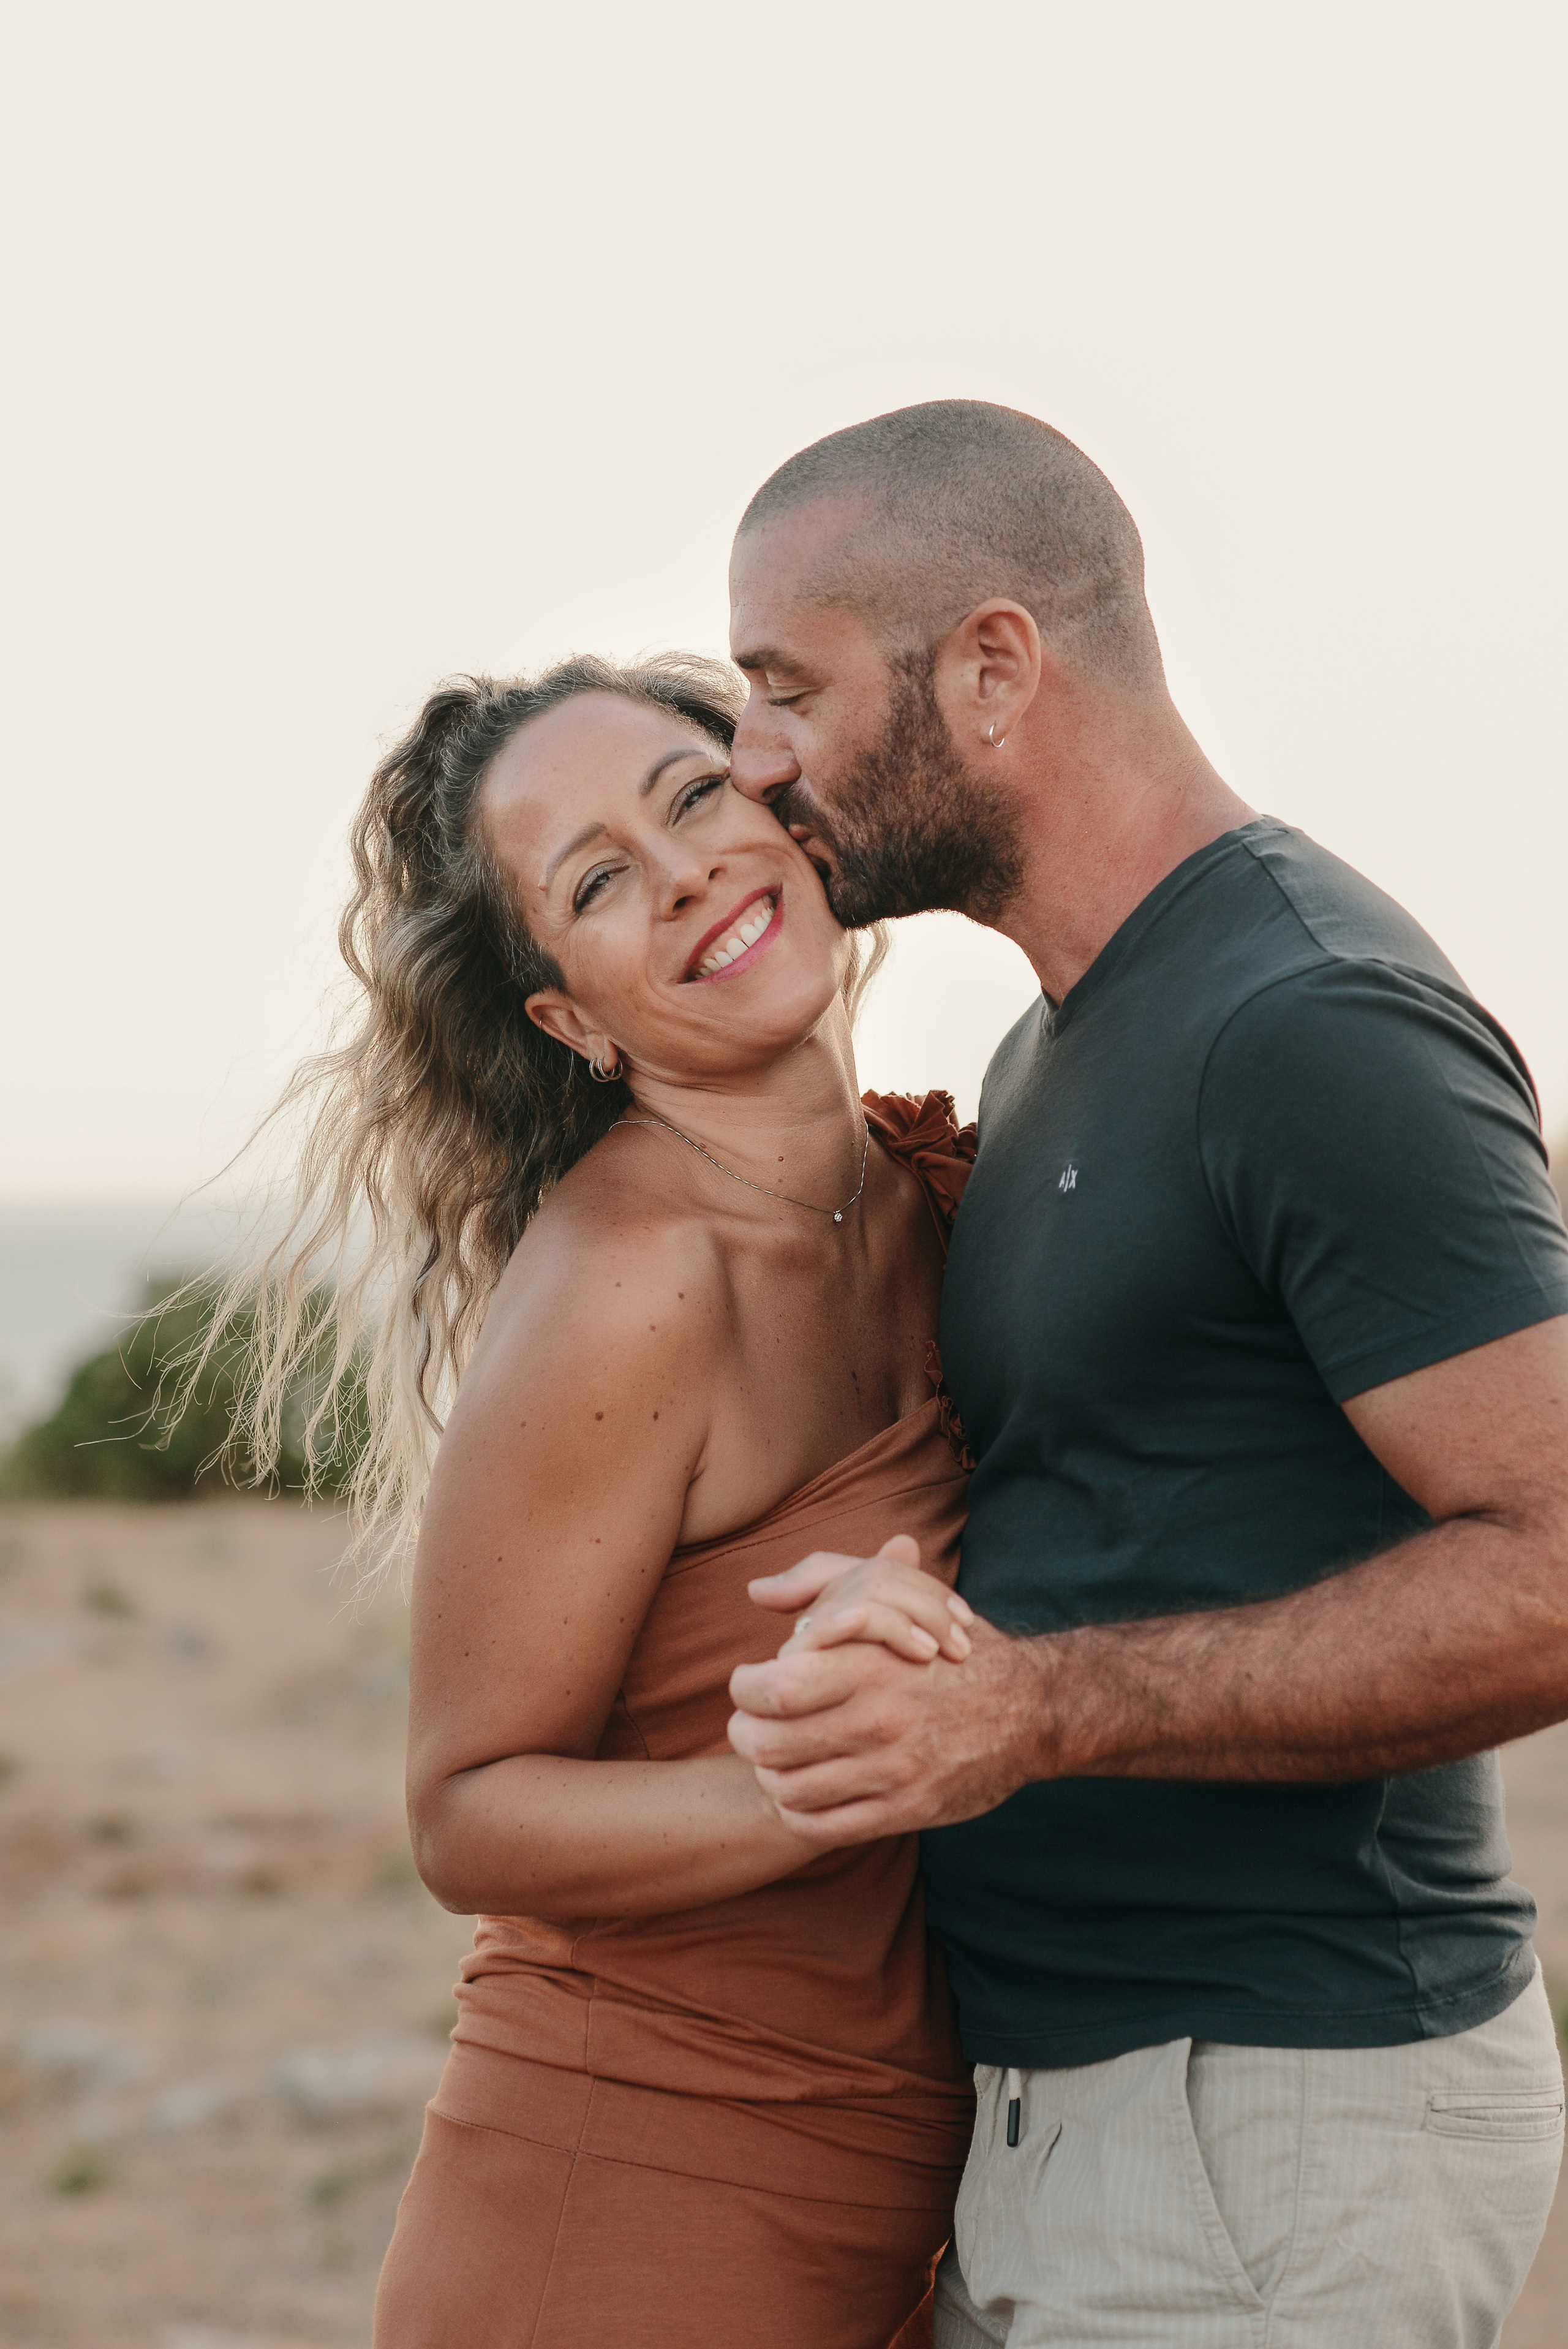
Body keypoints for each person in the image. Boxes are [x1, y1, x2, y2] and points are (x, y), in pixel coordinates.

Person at [723, 400, 1568, 2348]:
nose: (752, 762)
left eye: (787, 688)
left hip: (1274, 2114)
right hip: (1094, 2112)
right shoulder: (1063, 1040)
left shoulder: (1309, 1017)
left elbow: (1548, 1559)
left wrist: (1027, 1712)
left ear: (997, 667)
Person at [218, 652, 985, 2348]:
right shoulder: (628, 1280)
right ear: (570, 1017)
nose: (686, 870)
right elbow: (467, 1811)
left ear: (777, 804)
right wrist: (828, 1786)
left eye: (693, 795)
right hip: (623, 2195)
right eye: (595, 881)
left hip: (915, 2193)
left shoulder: (934, 1201)